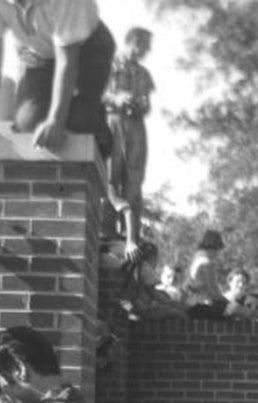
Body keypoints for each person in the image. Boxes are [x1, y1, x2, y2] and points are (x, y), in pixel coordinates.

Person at [0, 0, 116, 157]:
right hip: (38, 55)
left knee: (78, 123)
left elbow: (67, 62)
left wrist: (55, 121)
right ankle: (77, 110)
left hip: (88, 50)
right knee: (28, 123)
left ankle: (96, 121)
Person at [104, 27, 155, 263]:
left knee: (134, 179)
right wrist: (116, 98)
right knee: (110, 175)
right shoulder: (109, 64)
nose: (146, 52)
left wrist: (139, 104)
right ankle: (107, 231)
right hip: (112, 121)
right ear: (133, 42)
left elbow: (147, 103)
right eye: (144, 46)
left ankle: (131, 235)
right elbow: (94, 94)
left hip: (135, 125)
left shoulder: (143, 73)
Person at [182, 229, 225, 307]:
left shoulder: (197, 257)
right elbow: (212, 290)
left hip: (191, 301)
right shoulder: (206, 262)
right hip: (201, 303)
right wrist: (226, 302)